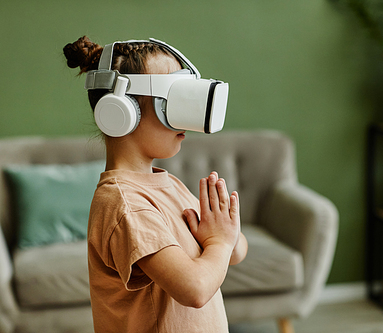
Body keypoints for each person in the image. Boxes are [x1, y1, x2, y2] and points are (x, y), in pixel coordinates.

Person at [63, 36, 248, 333]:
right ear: (121, 109)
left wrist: (224, 234)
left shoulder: (167, 184)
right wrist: (220, 241)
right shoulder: (124, 205)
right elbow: (195, 289)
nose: (185, 120)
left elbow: (234, 252)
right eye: (171, 101)